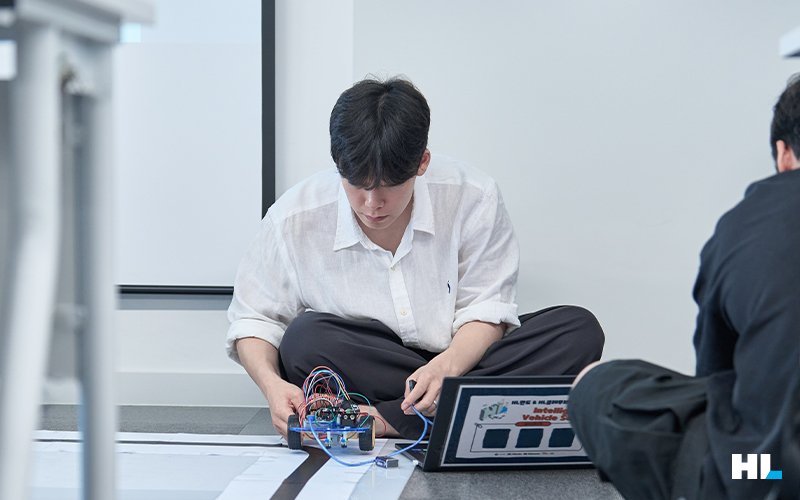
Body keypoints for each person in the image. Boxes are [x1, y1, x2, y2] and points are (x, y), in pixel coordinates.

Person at [226, 77, 604, 440]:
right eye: (357, 185)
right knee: (303, 340)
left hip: (463, 357)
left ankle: (384, 419)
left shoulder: (474, 196)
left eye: (389, 186)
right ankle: (464, 410)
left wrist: (447, 366)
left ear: (422, 163)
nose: (372, 203)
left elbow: (487, 310)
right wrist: (272, 386)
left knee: (577, 330)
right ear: (338, 165)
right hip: (373, 364)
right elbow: (254, 320)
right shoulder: (293, 217)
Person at [567, 75, 800, 500]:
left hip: (772, 472)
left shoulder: (748, 221)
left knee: (594, 383)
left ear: (784, 153)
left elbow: (715, 377)